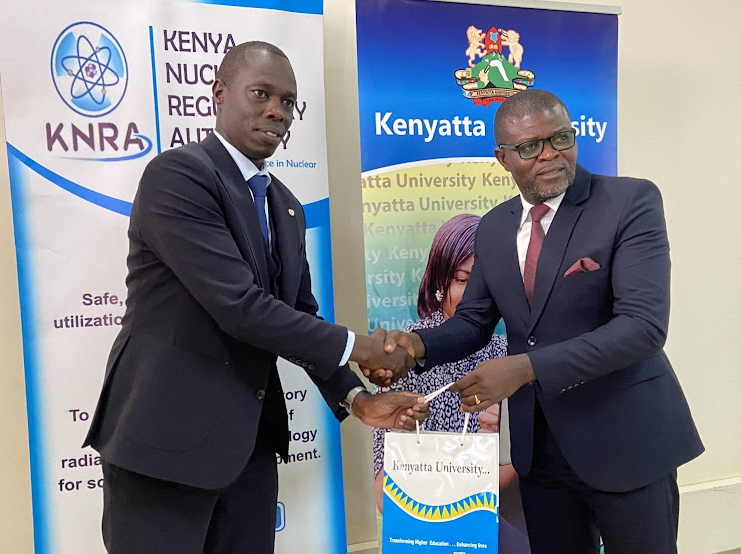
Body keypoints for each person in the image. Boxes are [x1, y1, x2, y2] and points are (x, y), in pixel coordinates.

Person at [83, 41, 425, 554]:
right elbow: (239, 307)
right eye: (261, 93)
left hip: (249, 450)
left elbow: (296, 315)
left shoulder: (286, 205)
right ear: (220, 94)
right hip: (163, 442)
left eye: (288, 101)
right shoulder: (179, 175)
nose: (276, 111)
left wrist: (357, 398)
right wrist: (361, 347)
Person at [382, 90, 704, 553]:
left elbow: (643, 327)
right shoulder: (493, 227)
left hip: (628, 443)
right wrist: (414, 347)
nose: (550, 154)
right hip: (542, 454)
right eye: (530, 146)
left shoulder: (630, 200)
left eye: (562, 137)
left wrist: (523, 368)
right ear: (503, 157)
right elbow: (473, 322)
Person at [371, 214, 529, 552]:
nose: (474, 296)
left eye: (485, 285)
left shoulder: (509, 360)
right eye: (463, 280)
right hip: (426, 537)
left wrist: (498, 445)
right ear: (439, 281)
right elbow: (387, 494)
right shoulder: (402, 361)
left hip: (504, 534)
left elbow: (514, 481)